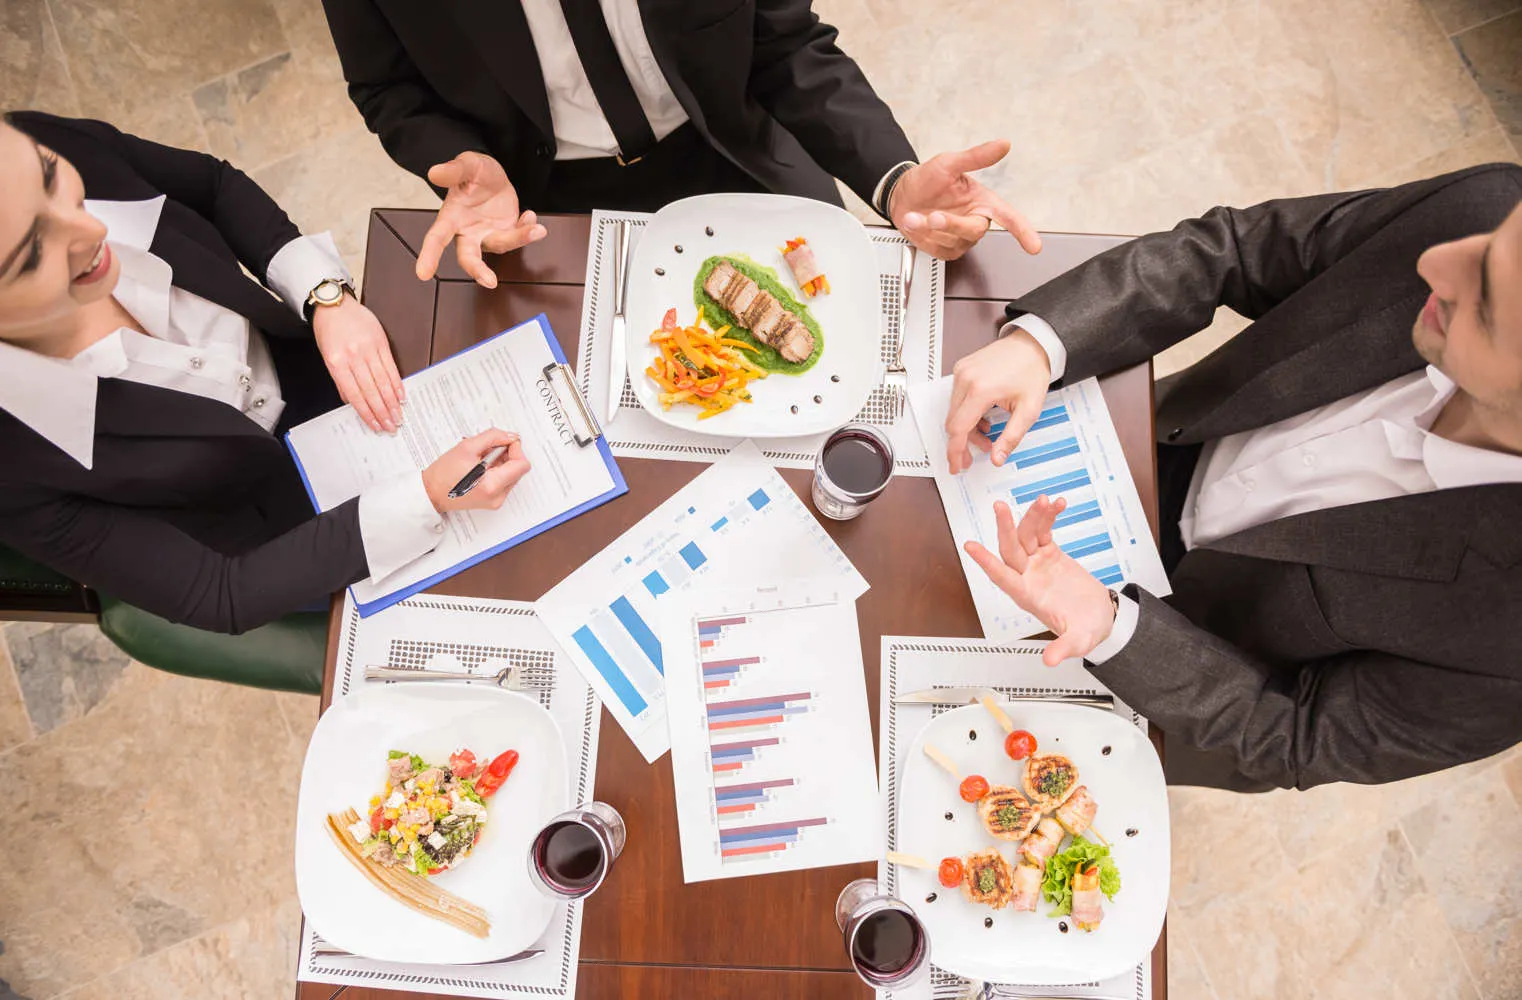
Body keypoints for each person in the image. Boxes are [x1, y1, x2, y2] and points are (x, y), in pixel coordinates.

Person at [943, 164, 1522, 791]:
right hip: (1147, 450)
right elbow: (1237, 250)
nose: (1438, 265)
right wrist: (1046, 342)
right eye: (1492, 249)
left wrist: (1116, 631)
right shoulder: (1490, 205)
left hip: (1175, 668)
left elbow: (1300, 737)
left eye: (1487, 304)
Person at [0, 112, 532, 635]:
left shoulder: (30, 145)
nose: (93, 226)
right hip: (291, 535)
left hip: (315, 361)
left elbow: (212, 186)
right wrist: (427, 498)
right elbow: (220, 591)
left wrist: (325, 299)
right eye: (30, 255)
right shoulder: (15, 470)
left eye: (50, 177)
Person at [320, 0, 1040, 287]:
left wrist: (893, 178)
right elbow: (387, 89)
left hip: (731, 153)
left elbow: (786, 47)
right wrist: (463, 160)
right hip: (542, 201)